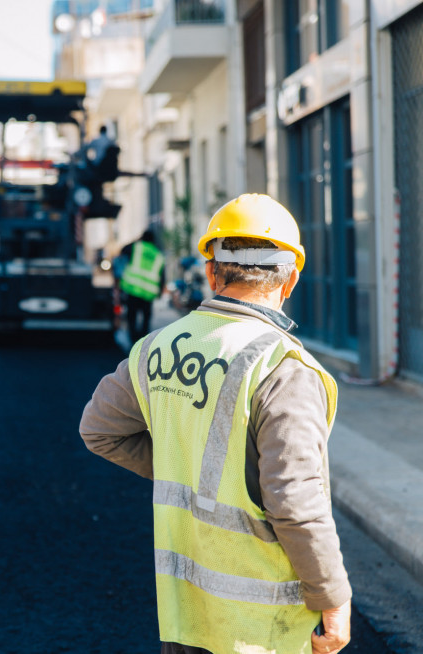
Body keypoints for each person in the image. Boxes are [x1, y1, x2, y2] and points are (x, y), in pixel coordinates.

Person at [80, 194, 352, 654]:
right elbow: (296, 501)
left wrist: (178, 459)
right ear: (291, 279)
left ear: (211, 270)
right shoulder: (283, 368)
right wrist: (334, 598)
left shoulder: (155, 348)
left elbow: (98, 430)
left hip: (185, 616)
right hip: (263, 631)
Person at [119, 229, 166, 343]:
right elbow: (162, 275)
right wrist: (160, 292)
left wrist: (136, 240)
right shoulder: (158, 255)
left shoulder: (137, 247)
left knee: (131, 316)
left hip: (133, 289)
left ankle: (133, 339)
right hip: (148, 293)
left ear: (142, 237)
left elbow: (122, 250)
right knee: (146, 318)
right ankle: (143, 341)